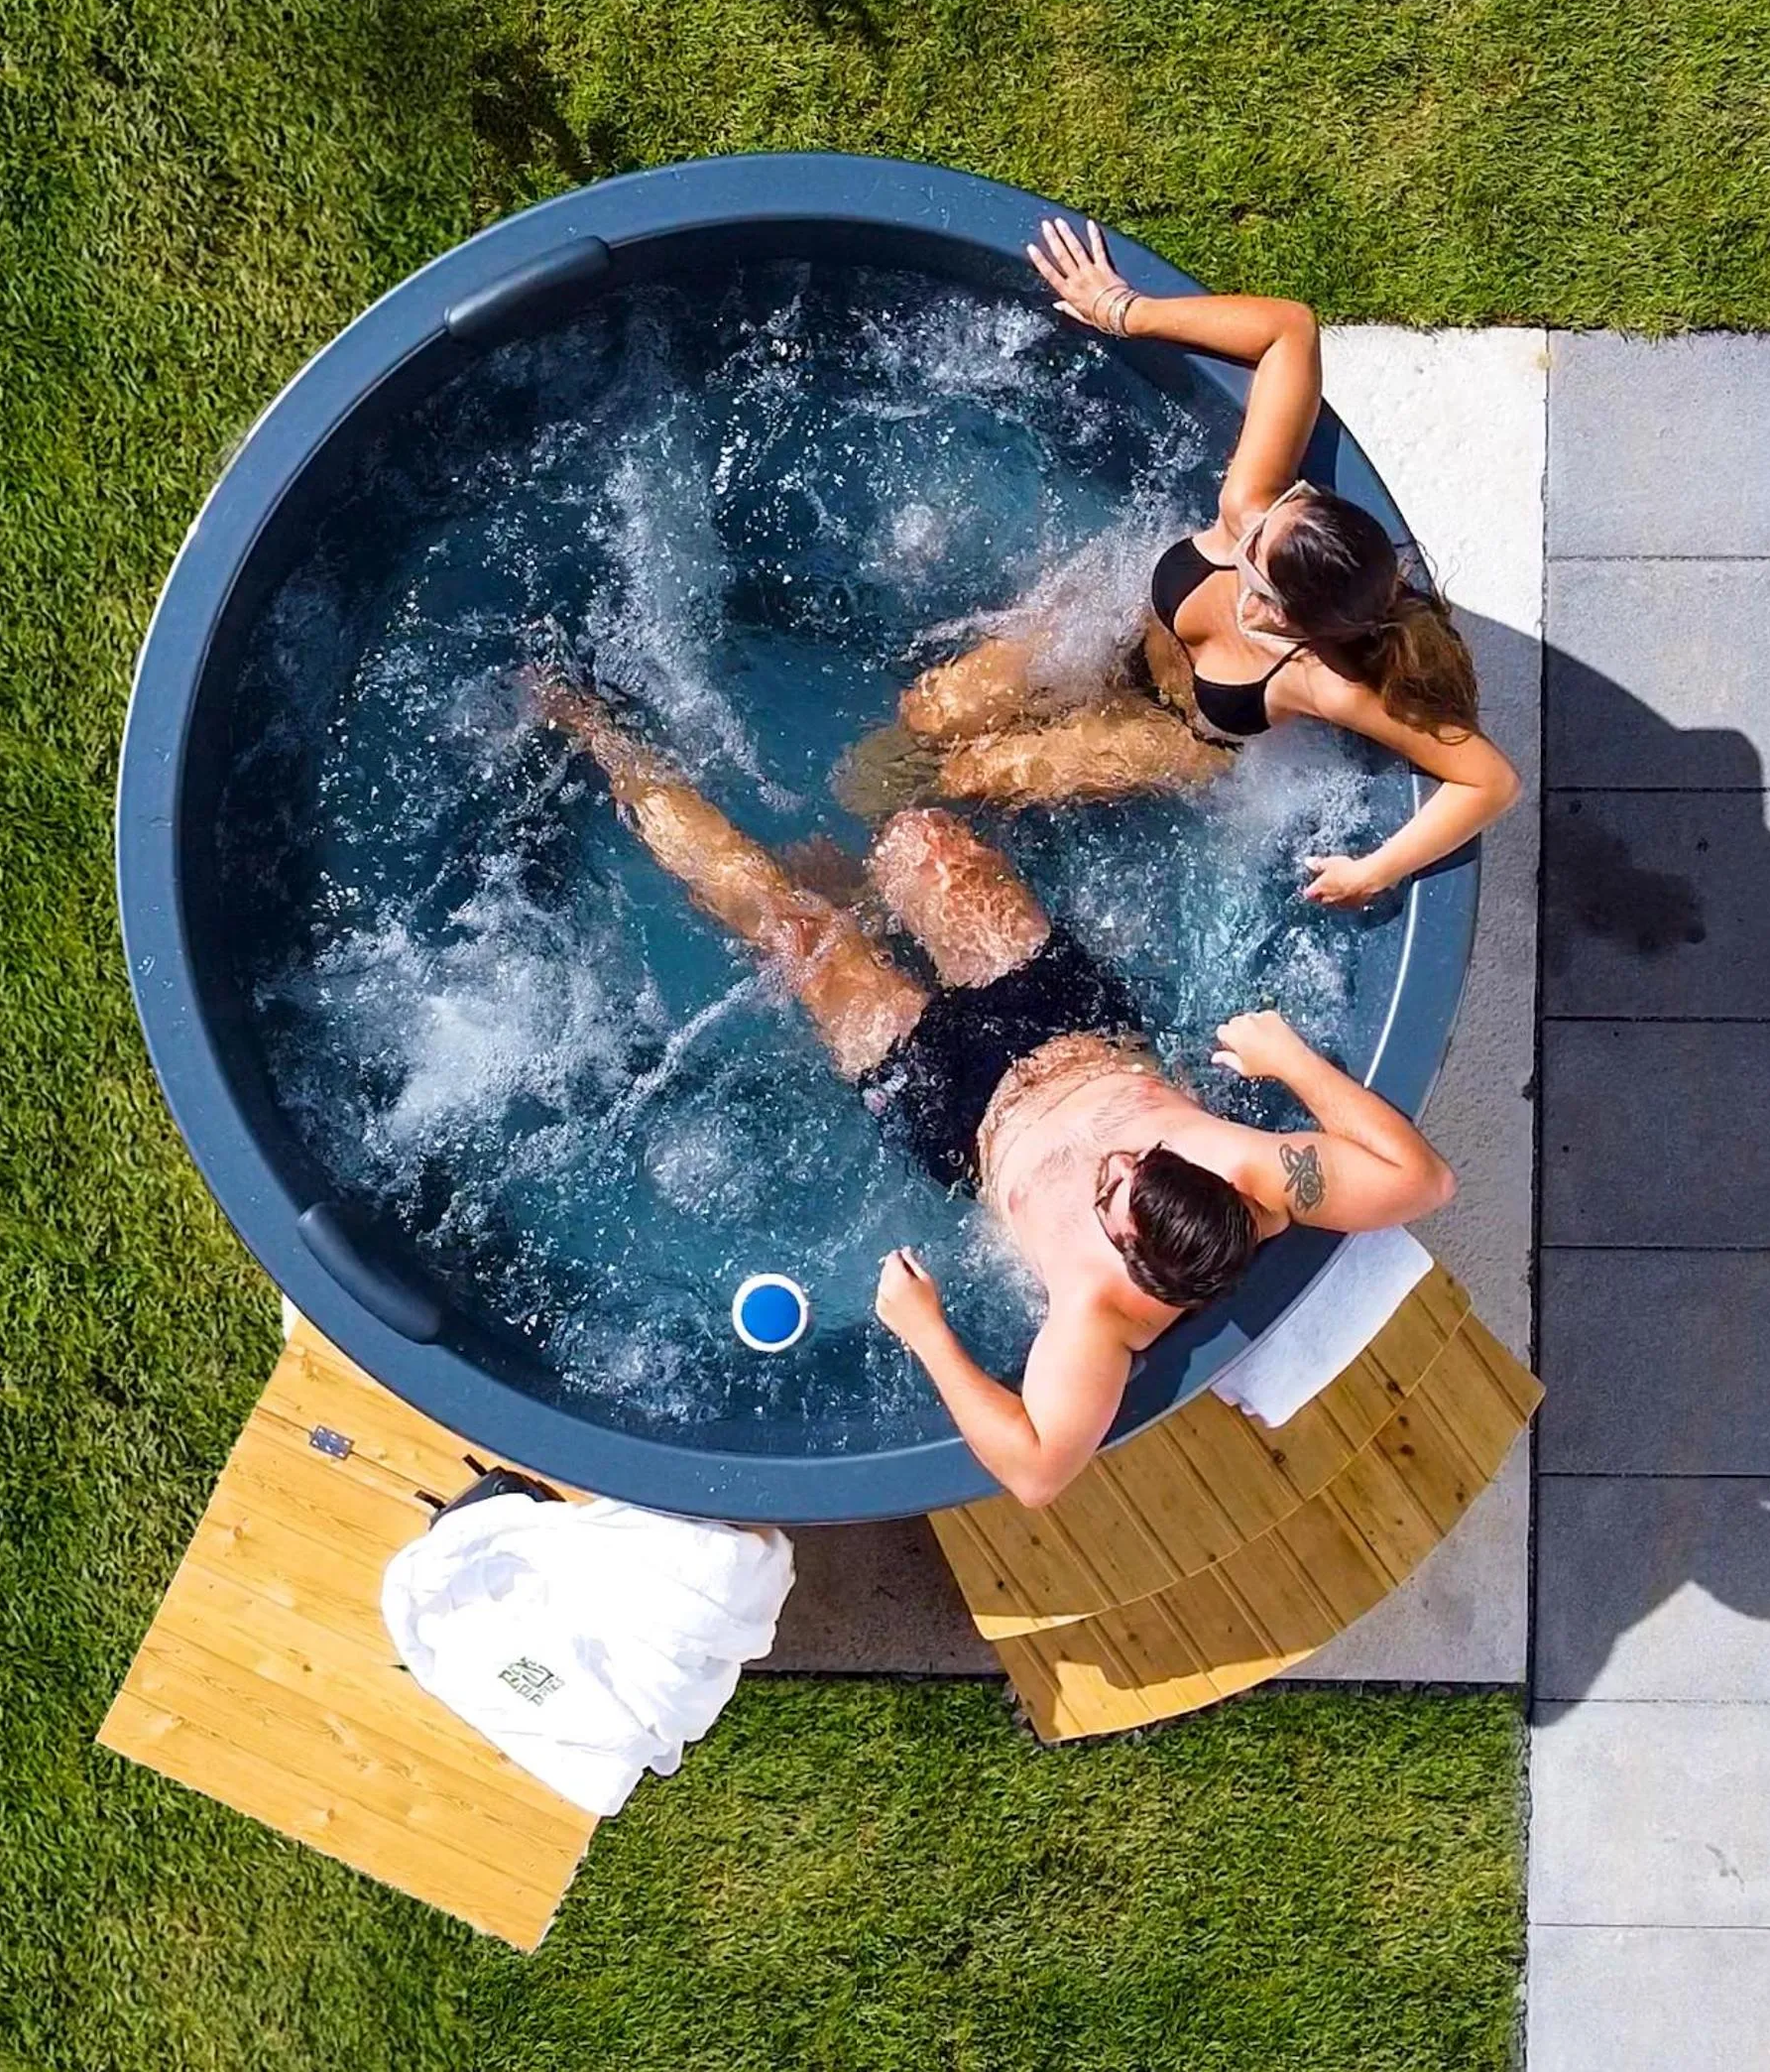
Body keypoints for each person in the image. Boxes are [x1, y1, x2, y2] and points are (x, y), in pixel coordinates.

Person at [533, 674, 1456, 1510]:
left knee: (791, 932)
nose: (1117, 1160)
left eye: (1112, 1191)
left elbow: (1037, 1470)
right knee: (917, 843)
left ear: (1128, 1253)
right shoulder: (1256, 1174)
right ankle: (872, 894)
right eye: (1145, 1157)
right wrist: (1292, 1059)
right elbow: (1421, 1181)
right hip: (1064, 1023)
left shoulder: (1094, 1321)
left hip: (956, 1112)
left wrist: (929, 1333)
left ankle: (599, 738)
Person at [865, 217, 1521, 910]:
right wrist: (1124, 310)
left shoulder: (1324, 685)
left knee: (972, 774)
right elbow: (1291, 331)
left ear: (1282, 615)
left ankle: (881, 881)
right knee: (931, 715)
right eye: (1276, 514)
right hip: (1119, 632)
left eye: (1256, 554)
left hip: (1176, 733)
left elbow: (1490, 781)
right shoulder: (1253, 508)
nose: (1244, 527)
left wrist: (1375, 869)